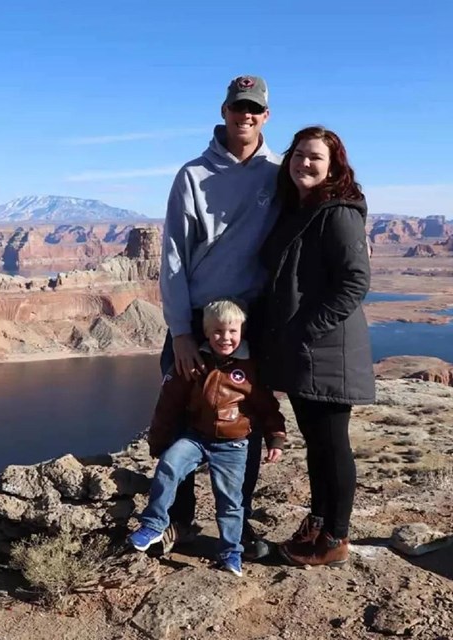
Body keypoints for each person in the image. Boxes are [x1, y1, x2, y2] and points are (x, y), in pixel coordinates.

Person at [158, 75, 282, 558]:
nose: (245, 116)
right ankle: (177, 521)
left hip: (250, 321)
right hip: (197, 318)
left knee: (243, 419)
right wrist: (182, 332)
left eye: (254, 109)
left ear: (265, 115)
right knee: (181, 416)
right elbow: (172, 258)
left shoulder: (278, 171)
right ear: (225, 110)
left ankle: (239, 523)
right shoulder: (192, 175)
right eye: (238, 107)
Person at [259, 126, 375, 566]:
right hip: (304, 351)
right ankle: (319, 520)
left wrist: (307, 329)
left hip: (326, 350)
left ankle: (336, 538)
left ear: (333, 167)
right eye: (299, 155)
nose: (304, 164)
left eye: (316, 158)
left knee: (332, 443)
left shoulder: (337, 211)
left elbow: (354, 282)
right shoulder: (301, 208)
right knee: (317, 444)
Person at [128, 299, 286, 576]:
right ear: (205, 331)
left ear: (242, 331)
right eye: (217, 332)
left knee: (230, 502)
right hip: (196, 437)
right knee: (168, 466)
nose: (225, 338)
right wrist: (159, 439)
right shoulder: (193, 361)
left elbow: (267, 407)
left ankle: (230, 552)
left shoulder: (250, 367)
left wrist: (276, 437)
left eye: (232, 332)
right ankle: (153, 525)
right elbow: (168, 403)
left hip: (234, 445)